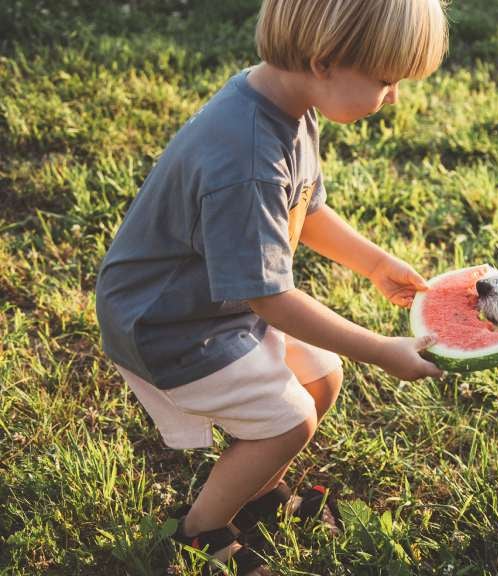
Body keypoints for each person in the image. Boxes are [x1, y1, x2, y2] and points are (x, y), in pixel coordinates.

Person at [94, 0, 448, 572]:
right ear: (326, 60)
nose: (393, 96)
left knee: (322, 377)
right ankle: (198, 531)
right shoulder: (248, 154)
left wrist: (375, 263)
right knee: (290, 421)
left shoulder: (286, 100)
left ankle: (258, 492)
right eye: (387, 80)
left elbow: (305, 211)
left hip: (214, 303)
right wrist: (382, 352)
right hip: (169, 324)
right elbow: (271, 298)